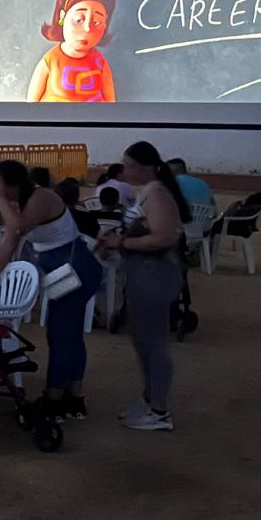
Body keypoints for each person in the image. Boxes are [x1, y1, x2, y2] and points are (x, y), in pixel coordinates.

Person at [0, 159, 102, 422]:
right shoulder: (22, 204)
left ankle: (54, 398)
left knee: (61, 334)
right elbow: (8, 244)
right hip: (65, 273)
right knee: (69, 334)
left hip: (76, 271)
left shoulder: (41, 197)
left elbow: (18, 228)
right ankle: (74, 398)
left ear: (12, 184)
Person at [99, 141, 189, 432]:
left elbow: (163, 238)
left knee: (153, 342)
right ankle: (150, 399)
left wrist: (122, 242)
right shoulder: (149, 192)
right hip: (143, 272)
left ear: (147, 167)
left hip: (154, 273)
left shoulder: (157, 194)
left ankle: (159, 409)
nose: (125, 171)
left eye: (130, 166)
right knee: (143, 340)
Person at [26, 0, 117, 103]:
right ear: (63, 17)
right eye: (79, 20)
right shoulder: (51, 60)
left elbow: (111, 102)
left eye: (96, 22)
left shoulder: (100, 63)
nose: (87, 28)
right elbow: (31, 103)